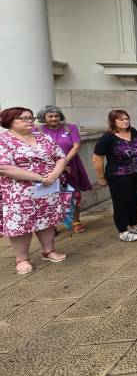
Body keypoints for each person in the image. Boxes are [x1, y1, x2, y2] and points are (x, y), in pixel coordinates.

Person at [0, 107, 69, 274]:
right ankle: (22, 259)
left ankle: (48, 250)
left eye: (30, 118)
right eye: (24, 118)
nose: (29, 121)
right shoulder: (4, 141)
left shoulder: (42, 137)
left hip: (47, 186)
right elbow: (3, 168)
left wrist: (54, 173)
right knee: (21, 224)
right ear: (10, 121)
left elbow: (60, 156)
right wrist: (37, 177)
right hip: (18, 191)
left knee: (47, 219)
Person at [93, 109, 137, 242]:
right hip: (118, 176)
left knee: (135, 200)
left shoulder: (133, 131)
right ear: (113, 121)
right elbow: (97, 158)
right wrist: (101, 177)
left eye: (126, 118)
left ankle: (133, 225)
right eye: (121, 119)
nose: (125, 121)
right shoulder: (107, 137)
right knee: (121, 202)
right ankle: (123, 231)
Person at [35, 105, 92, 233]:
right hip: (48, 168)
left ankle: (75, 221)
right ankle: (52, 225)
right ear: (44, 117)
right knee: (49, 195)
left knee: (74, 194)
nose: (54, 118)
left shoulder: (70, 128)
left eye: (56, 116)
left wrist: (63, 163)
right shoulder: (37, 130)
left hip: (71, 166)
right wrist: (58, 166)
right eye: (50, 116)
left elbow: (76, 146)